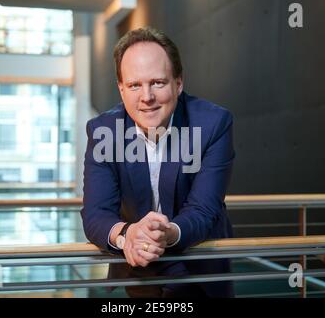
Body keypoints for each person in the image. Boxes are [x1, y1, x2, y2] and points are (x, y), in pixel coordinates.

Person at [81, 27, 235, 297]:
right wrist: (127, 235)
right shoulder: (102, 130)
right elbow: (96, 213)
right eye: (134, 85)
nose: (146, 96)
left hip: (198, 266)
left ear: (179, 82)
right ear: (121, 89)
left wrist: (167, 233)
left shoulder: (214, 124)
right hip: (139, 266)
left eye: (158, 82)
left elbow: (203, 209)